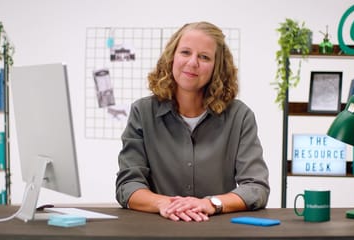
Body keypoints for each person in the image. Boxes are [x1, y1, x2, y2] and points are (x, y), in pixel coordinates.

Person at [115, 21, 270, 222]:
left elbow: (256, 188)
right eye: (185, 52)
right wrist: (165, 204)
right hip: (158, 231)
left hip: (218, 232)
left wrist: (210, 203)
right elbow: (128, 186)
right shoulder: (142, 112)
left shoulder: (240, 116)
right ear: (172, 57)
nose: (192, 62)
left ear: (217, 67)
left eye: (204, 57)